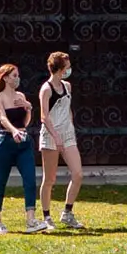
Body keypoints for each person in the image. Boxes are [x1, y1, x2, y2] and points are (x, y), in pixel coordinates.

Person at [0, 63, 43, 233]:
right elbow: (3, 118)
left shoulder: (20, 96)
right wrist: (13, 131)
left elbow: (25, 122)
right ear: (5, 78)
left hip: (24, 142)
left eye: (18, 75)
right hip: (6, 142)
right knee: (0, 181)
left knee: (30, 180)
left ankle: (31, 220)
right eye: (14, 76)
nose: (17, 79)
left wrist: (28, 107)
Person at [35, 49, 84, 231]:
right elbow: (44, 116)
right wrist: (55, 136)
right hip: (50, 136)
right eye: (67, 66)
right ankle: (47, 216)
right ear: (60, 68)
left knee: (78, 174)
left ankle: (67, 213)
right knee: (50, 179)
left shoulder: (67, 86)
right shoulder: (46, 89)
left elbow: (68, 108)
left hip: (67, 134)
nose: (70, 69)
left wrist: (69, 126)